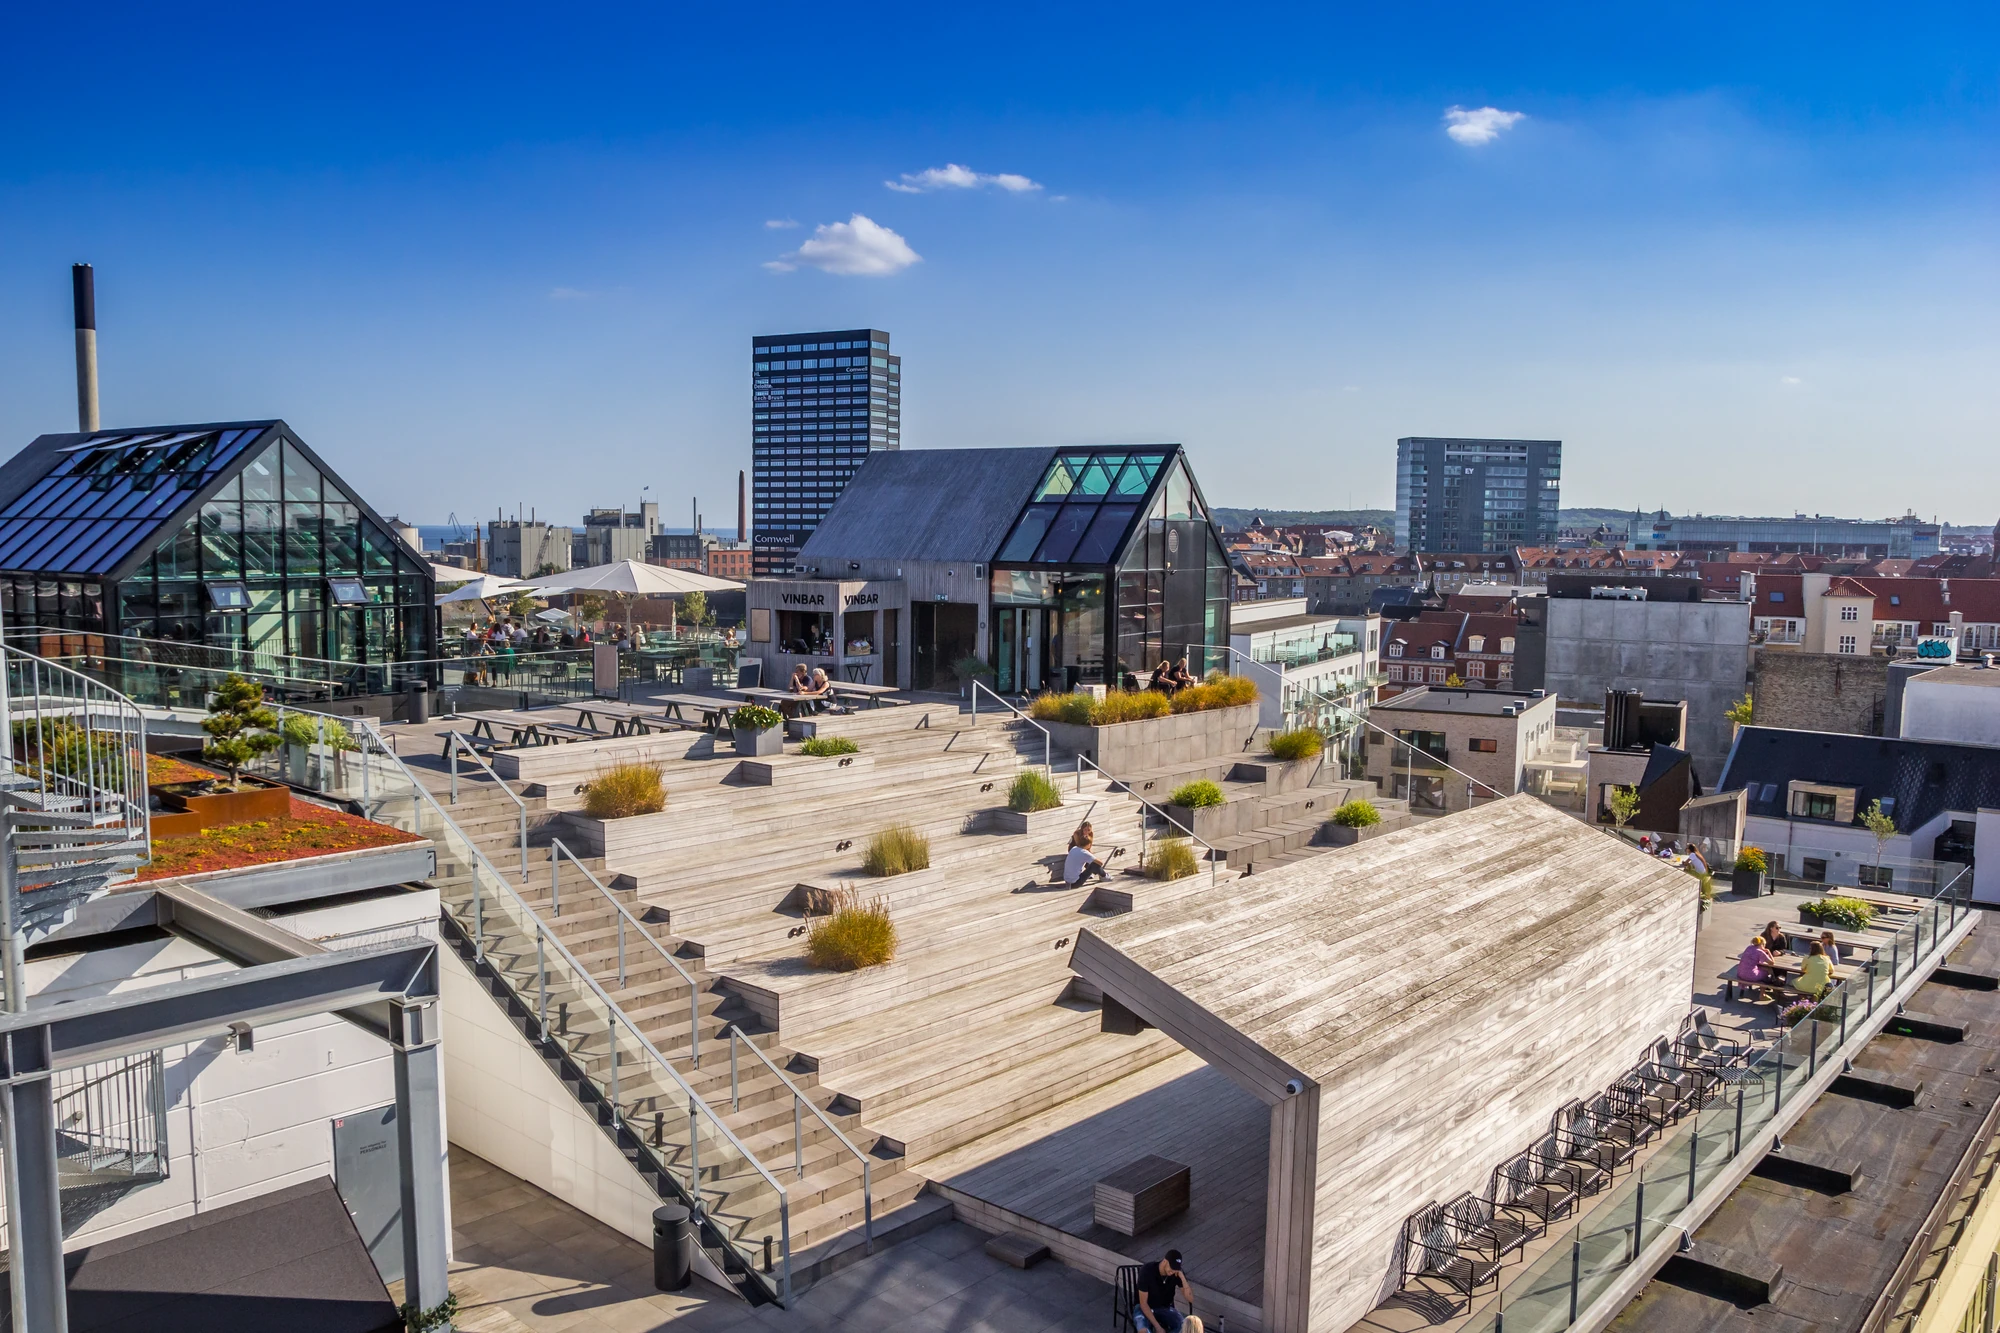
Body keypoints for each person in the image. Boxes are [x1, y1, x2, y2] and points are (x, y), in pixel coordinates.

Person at [1134, 1251, 1192, 1333]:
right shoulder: (1147, 1271)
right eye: (1172, 1267)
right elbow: (1143, 1304)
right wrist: (1158, 1327)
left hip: (1165, 1307)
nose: (1173, 1271)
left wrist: (1183, 1278)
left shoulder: (1176, 1273)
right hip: (1144, 1307)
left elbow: (1190, 1299)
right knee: (1143, 1331)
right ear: (1165, 1261)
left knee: (1185, 1328)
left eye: (1176, 1268)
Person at [1065, 822, 1108, 888]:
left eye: (1089, 830)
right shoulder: (1077, 834)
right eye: (1085, 830)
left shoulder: (1075, 848)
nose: (1087, 832)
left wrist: (1090, 854)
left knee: (1089, 859)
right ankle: (1105, 876)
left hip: (1067, 881)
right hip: (1075, 884)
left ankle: (1103, 875)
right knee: (1094, 864)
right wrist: (1092, 856)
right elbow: (1100, 863)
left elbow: (1086, 848)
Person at [1737, 935, 1774, 1001]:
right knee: (1766, 973)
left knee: (1759, 969)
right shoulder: (1760, 952)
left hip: (1740, 973)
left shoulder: (1749, 947)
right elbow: (1772, 963)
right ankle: (1762, 995)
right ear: (1762, 944)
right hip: (1750, 975)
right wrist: (1768, 951)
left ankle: (1743, 990)